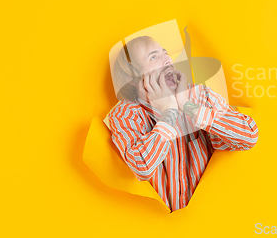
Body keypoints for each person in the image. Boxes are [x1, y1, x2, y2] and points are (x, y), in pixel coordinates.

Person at [107, 35, 259, 212]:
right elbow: (141, 166)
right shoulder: (125, 115)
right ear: (134, 80)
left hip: (209, 216)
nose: (168, 59)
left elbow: (248, 136)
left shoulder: (200, 96)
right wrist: (168, 113)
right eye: (154, 57)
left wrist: (188, 106)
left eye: (165, 53)